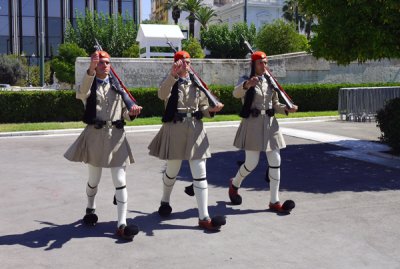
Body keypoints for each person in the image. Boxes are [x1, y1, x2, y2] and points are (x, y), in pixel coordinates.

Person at [64, 50, 142, 240]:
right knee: (94, 179)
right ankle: (91, 208)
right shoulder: (89, 85)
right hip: (95, 136)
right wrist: (90, 70)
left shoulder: (117, 86)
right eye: (100, 63)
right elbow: (81, 93)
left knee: (120, 181)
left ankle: (122, 223)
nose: (104, 65)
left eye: (107, 62)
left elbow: (124, 112)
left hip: (116, 136)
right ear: (94, 65)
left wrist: (131, 113)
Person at [148, 50, 226, 231]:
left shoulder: (197, 83)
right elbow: (162, 94)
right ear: (175, 64)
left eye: (189, 62)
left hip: (195, 129)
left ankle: (204, 217)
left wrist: (211, 110)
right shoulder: (170, 81)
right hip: (175, 129)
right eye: (182, 62)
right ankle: (165, 200)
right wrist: (172, 76)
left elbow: (204, 106)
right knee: (172, 171)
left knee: (200, 172)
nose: (186, 65)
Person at [228, 51, 298, 214]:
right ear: (253, 64)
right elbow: (235, 93)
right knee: (251, 163)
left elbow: (274, 104)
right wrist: (247, 85)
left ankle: (274, 201)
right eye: (261, 63)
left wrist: (286, 108)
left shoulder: (270, 81)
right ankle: (234, 184)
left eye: (266, 62)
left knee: (275, 160)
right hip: (252, 124)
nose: (264, 65)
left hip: (270, 125)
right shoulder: (246, 79)